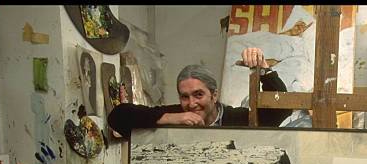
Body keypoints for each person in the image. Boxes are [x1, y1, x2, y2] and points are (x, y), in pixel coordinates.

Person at [108, 48, 291, 139]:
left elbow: (281, 111)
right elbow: (118, 117)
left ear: (214, 95)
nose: (191, 103)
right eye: (184, 96)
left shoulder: (236, 118)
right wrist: (171, 119)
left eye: (198, 94)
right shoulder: (175, 115)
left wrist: (265, 71)